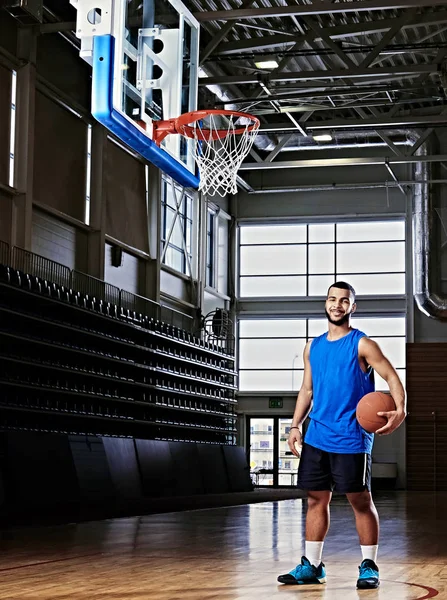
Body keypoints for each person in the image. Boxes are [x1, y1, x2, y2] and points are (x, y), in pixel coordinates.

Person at [277, 281, 406, 590]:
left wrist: (400, 407)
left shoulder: (362, 345)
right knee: (315, 500)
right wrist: (295, 425)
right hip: (317, 436)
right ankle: (313, 566)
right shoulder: (314, 347)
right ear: (326, 303)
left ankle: (369, 565)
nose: (337, 304)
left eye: (344, 300)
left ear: (352, 307)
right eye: (332, 299)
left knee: (360, 501)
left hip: (351, 437)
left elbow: (390, 375)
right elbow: (307, 390)